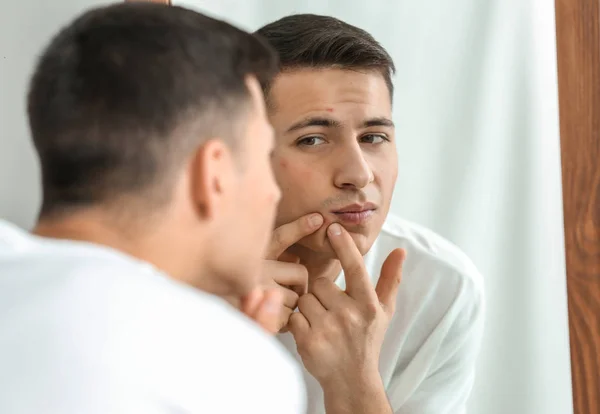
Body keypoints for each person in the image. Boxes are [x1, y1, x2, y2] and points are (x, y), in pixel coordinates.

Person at [0, 4, 306, 414]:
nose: (272, 193)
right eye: (263, 158)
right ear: (213, 174)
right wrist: (239, 373)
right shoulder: (233, 371)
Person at [254, 14, 485, 414]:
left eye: (373, 137)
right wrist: (215, 335)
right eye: (312, 139)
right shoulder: (168, 280)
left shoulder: (440, 287)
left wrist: (355, 381)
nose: (359, 174)